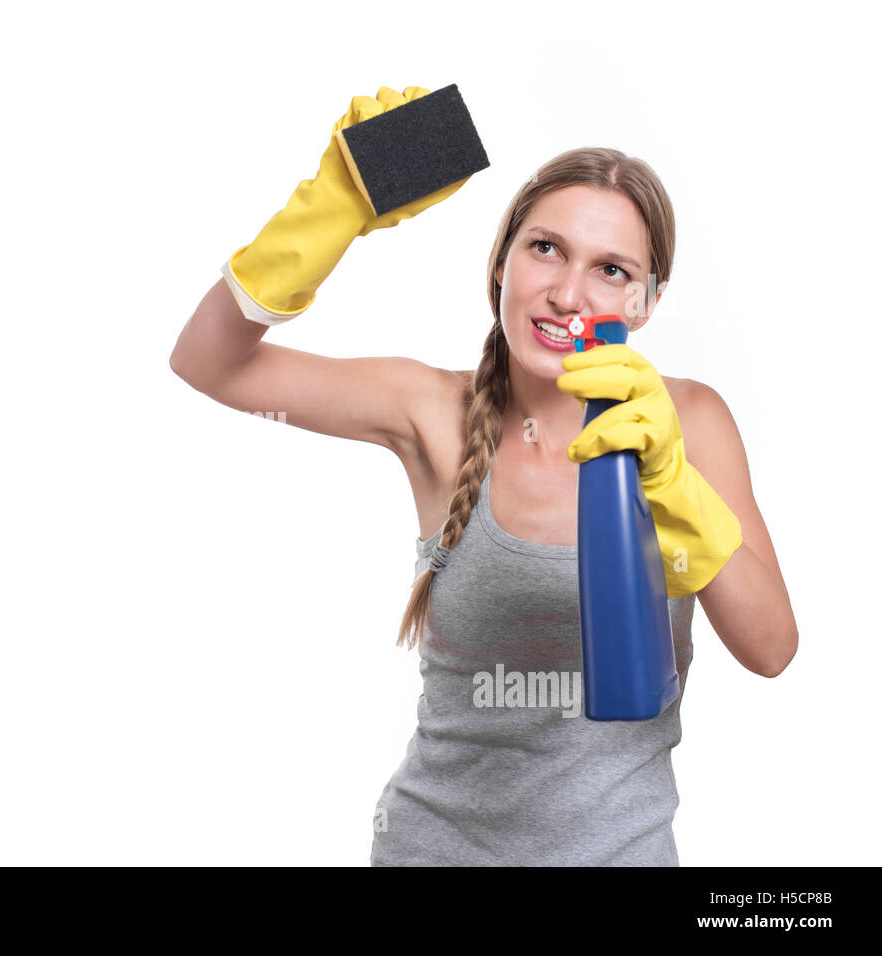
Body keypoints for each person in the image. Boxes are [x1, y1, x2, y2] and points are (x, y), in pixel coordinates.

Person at [168, 87, 798, 866]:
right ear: (500, 260)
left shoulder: (692, 422)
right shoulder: (432, 411)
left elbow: (772, 648)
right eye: (545, 249)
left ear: (647, 301)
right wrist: (330, 211)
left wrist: (673, 485)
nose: (567, 293)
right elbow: (207, 364)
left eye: (610, 269)